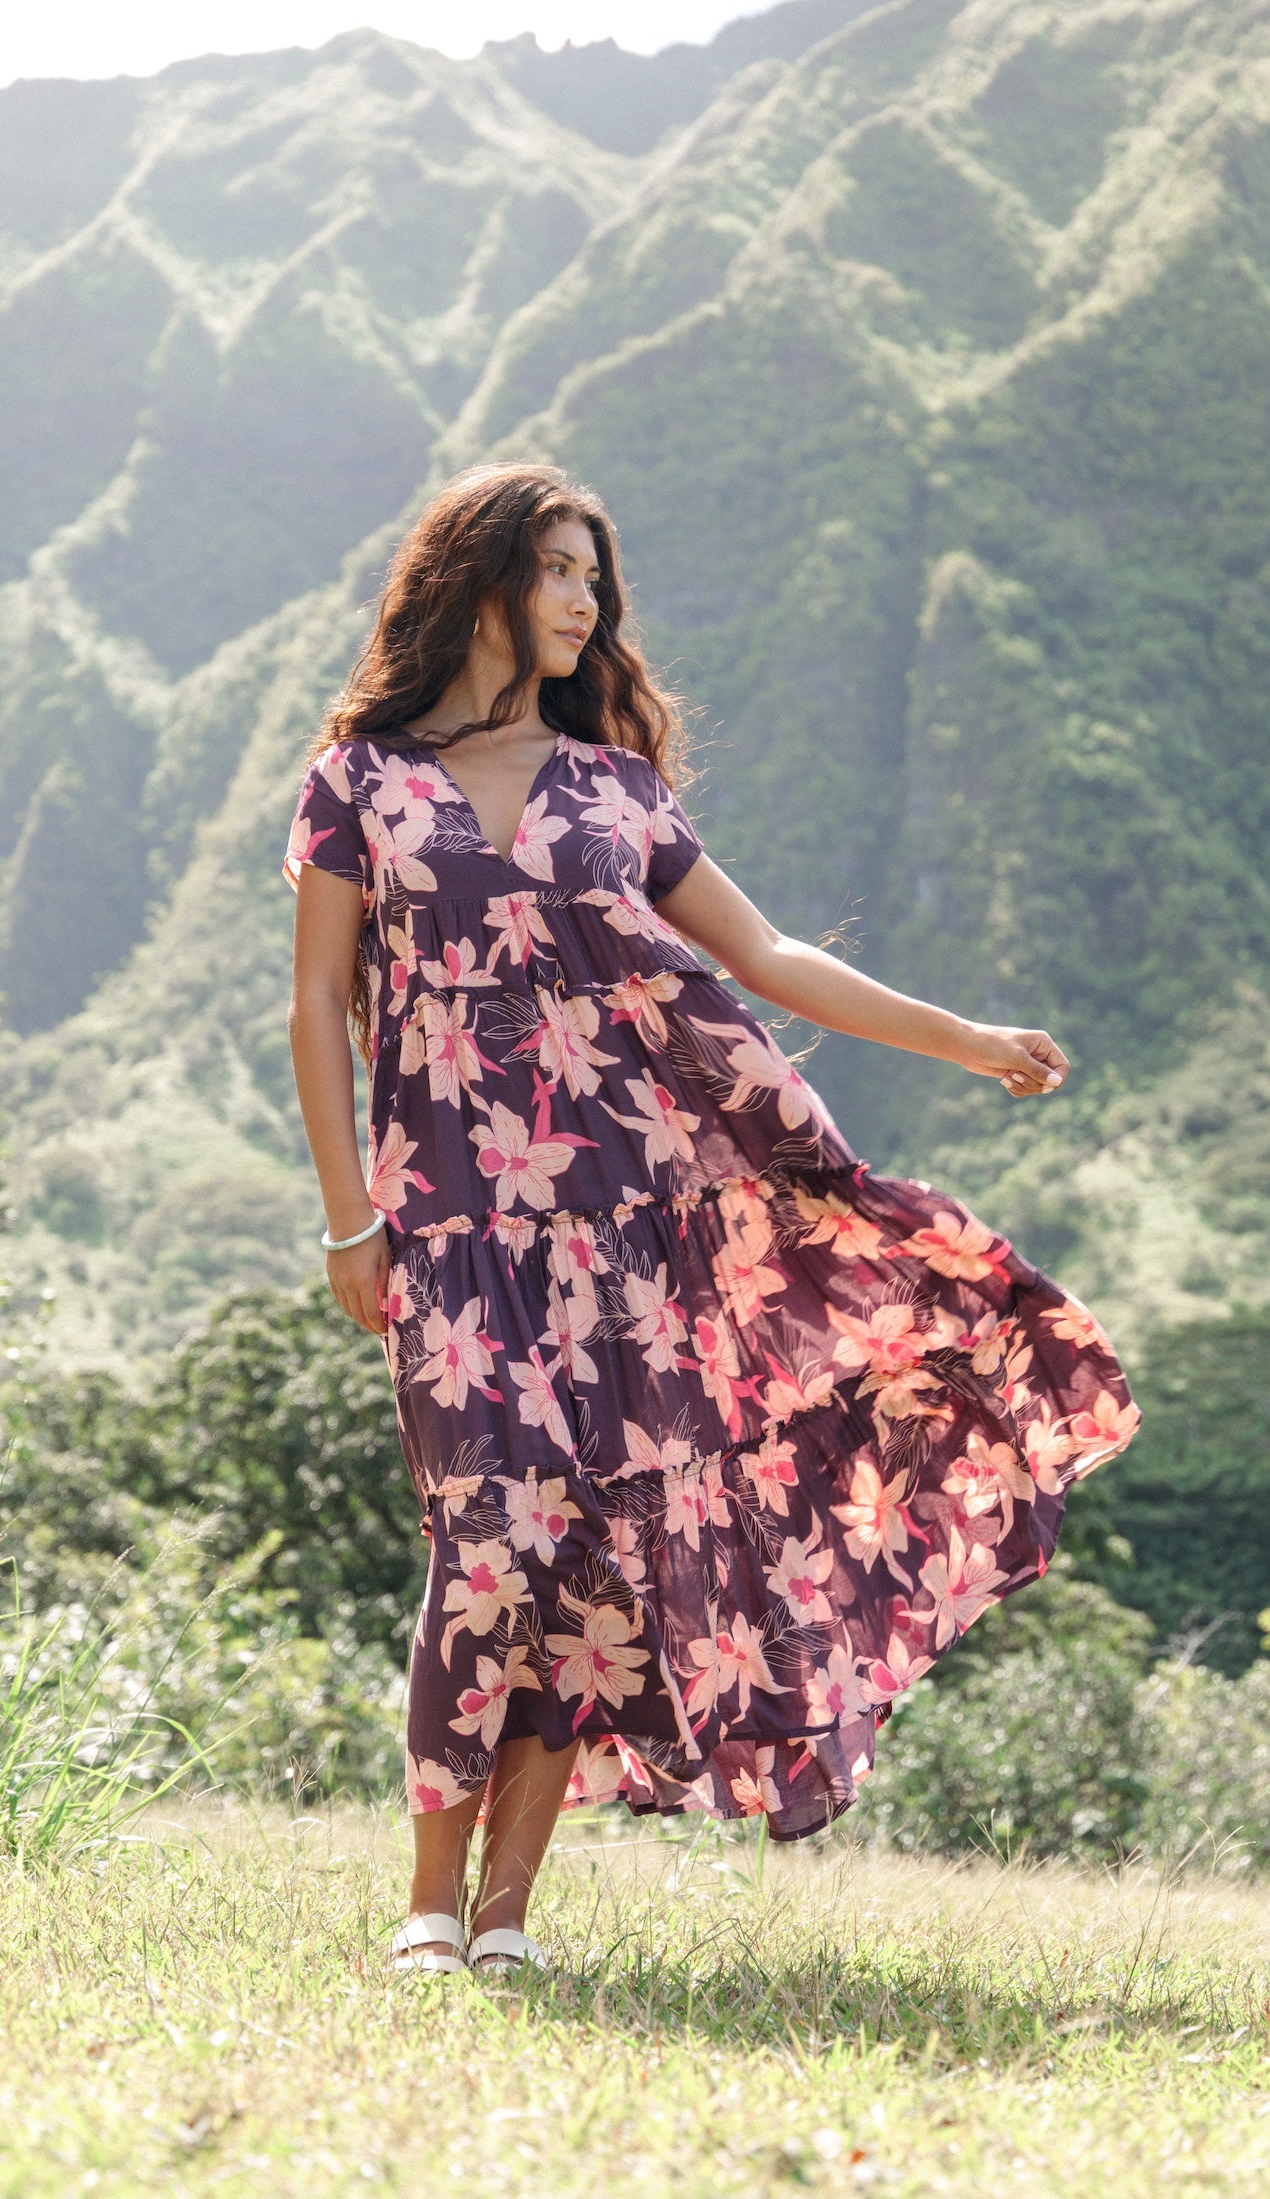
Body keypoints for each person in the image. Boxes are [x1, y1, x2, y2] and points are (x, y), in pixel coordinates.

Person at [284, 463, 1138, 1978]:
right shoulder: (358, 779)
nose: (584, 602)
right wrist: (354, 1223)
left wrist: (971, 1038)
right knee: (484, 1542)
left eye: (593, 580)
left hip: (635, 1225)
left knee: (598, 1556)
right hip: (452, 1228)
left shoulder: (614, 787)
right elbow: (314, 1001)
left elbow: (769, 952)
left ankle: (503, 1918)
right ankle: (426, 1896)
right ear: (481, 579)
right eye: (558, 570)